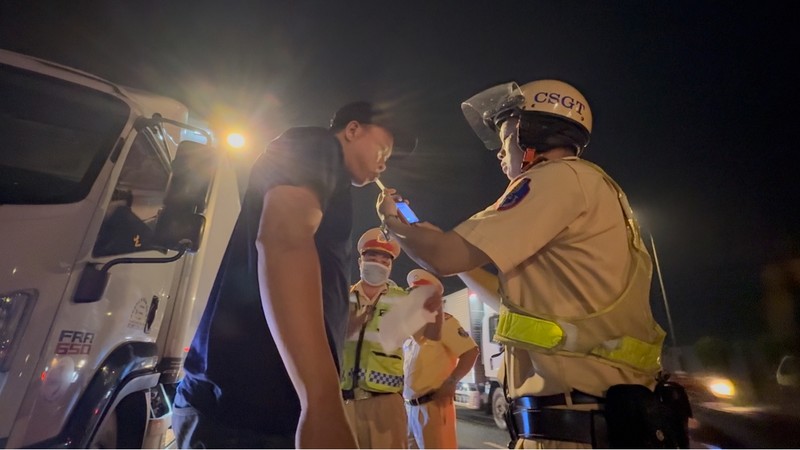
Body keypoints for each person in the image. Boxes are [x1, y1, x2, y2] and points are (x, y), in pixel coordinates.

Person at [376, 80, 686, 448]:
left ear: (529, 132)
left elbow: (443, 255)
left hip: (573, 426)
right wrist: (458, 256)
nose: (498, 151)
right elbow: (509, 305)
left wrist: (393, 224)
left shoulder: (555, 178)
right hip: (590, 418)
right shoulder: (587, 187)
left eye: (504, 132)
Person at [173, 101, 417, 449]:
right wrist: (321, 401)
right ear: (352, 130)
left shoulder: (329, 181)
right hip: (243, 415)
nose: (384, 162)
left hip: (266, 413)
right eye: (383, 148)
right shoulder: (316, 145)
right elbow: (283, 240)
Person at [340, 227, 410, 448]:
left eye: (384, 261)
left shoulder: (404, 300)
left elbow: (428, 338)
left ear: (390, 267)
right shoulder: (342, 296)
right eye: (372, 258)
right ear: (360, 262)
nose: (378, 264)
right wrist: (351, 325)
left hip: (385, 402)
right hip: (345, 400)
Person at [403, 269, 479, 449]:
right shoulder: (412, 328)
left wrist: (452, 381)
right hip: (410, 408)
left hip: (433, 406)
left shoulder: (444, 322)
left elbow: (470, 351)